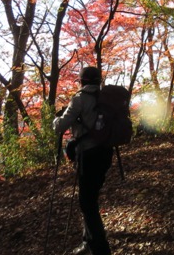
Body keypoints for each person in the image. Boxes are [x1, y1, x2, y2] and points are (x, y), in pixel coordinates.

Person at [53, 66, 114, 255]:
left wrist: (56, 119)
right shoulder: (107, 98)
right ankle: (89, 241)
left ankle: (100, 249)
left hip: (88, 155)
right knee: (90, 198)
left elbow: (60, 126)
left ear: (82, 81)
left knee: (87, 203)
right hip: (106, 153)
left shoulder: (79, 99)